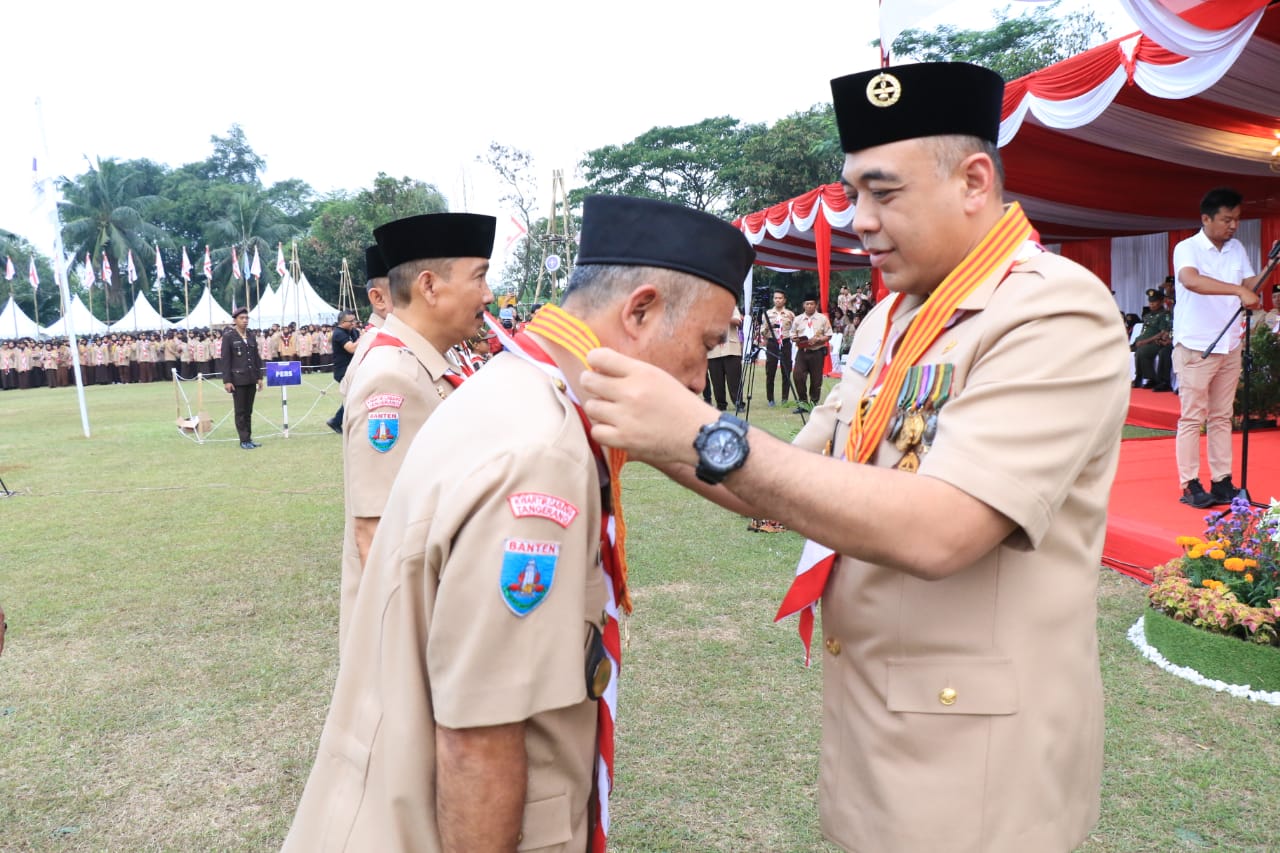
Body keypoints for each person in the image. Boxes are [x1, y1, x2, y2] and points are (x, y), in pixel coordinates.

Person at [578, 62, 1129, 853]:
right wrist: (645, 429)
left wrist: (696, 431)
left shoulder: (1053, 310)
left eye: (884, 192)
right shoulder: (890, 318)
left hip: (979, 763)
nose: (860, 220)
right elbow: (785, 473)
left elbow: (944, 528)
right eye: (852, 193)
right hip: (879, 729)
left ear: (974, 182)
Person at [282, 194, 753, 853]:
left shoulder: (519, 383)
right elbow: (479, 739)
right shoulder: (541, 450)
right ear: (640, 310)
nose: (702, 378)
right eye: (704, 344)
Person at [337, 213, 496, 648]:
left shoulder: (424, 365)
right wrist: (431, 652)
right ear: (429, 286)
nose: (488, 294)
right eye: (479, 277)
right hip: (412, 639)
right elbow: (377, 537)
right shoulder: (393, 377)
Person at [1172, 187, 1261, 509]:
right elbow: (1191, 280)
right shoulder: (1188, 248)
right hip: (1197, 345)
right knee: (1192, 417)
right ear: (1206, 219)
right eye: (1226, 219)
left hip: (1230, 343)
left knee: (1223, 416)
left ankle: (1222, 481)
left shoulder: (1237, 248)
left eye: (1236, 219)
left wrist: (1270, 266)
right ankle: (1190, 483)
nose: (1233, 225)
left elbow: (1250, 286)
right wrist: (1238, 291)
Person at [219, 307, 264, 450]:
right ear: (235, 320)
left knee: (248, 410)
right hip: (237, 379)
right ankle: (243, 440)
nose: (245, 321)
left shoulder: (250, 335)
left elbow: (256, 357)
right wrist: (227, 381)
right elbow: (225, 360)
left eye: (246, 318)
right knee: (240, 411)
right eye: (241, 318)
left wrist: (259, 377)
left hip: (251, 377)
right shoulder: (229, 336)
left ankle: (249, 438)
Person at [790, 293, 832, 412]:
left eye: (812, 304)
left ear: (816, 305)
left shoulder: (822, 319)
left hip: (817, 352)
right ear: (803, 305)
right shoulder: (798, 319)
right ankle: (803, 403)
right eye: (807, 304)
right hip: (802, 352)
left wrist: (818, 339)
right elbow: (792, 334)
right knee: (797, 375)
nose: (809, 306)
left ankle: (813, 403)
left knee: (816, 379)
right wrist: (795, 339)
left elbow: (829, 335)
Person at [325, 310, 360, 434]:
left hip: (354, 369)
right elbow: (351, 348)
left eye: (354, 320)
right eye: (351, 321)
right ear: (342, 322)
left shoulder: (354, 331)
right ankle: (336, 421)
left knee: (354, 397)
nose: (353, 323)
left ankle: (337, 421)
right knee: (353, 397)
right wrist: (365, 337)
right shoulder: (338, 333)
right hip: (343, 371)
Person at [705, 304, 744, 412]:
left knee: (734, 380)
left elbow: (738, 322)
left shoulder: (730, 305)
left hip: (731, 349)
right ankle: (721, 405)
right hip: (713, 351)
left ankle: (739, 403)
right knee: (717, 381)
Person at [1134, 287, 1173, 391]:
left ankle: (1149, 378)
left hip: (1154, 342)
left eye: (1154, 302)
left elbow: (1163, 332)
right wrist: (1138, 341)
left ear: (1161, 302)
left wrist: (1145, 341)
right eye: (1150, 302)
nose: (1151, 304)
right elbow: (1144, 331)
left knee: (1142, 351)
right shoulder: (1147, 316)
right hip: (1143, 341)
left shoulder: (1164, 314)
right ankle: (1140, 377)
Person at [762, 290, 795, 407]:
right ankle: (770, 399)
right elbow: (762, 332)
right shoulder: (767, 313)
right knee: (770, 371)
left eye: (780, 298)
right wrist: (768, 327)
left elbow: (794, 329)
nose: (777, 300)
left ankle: (784, 398)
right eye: (775, 298)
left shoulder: (790, 314)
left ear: (784, 300)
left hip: (785, 342)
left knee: (786, 370)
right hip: (772, 343)